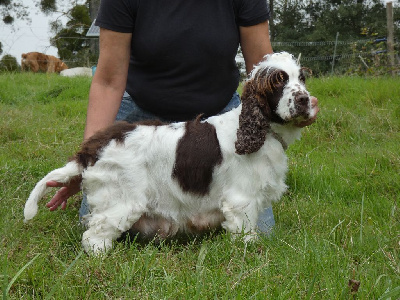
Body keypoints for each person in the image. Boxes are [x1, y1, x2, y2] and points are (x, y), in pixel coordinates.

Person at [45, 0, 319, 235]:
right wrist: (86, 161)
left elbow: (262, 67)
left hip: (219, 111)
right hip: (142, 111)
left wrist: (293, 106)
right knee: (101, 220)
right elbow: (107, 81)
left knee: (257, 228)